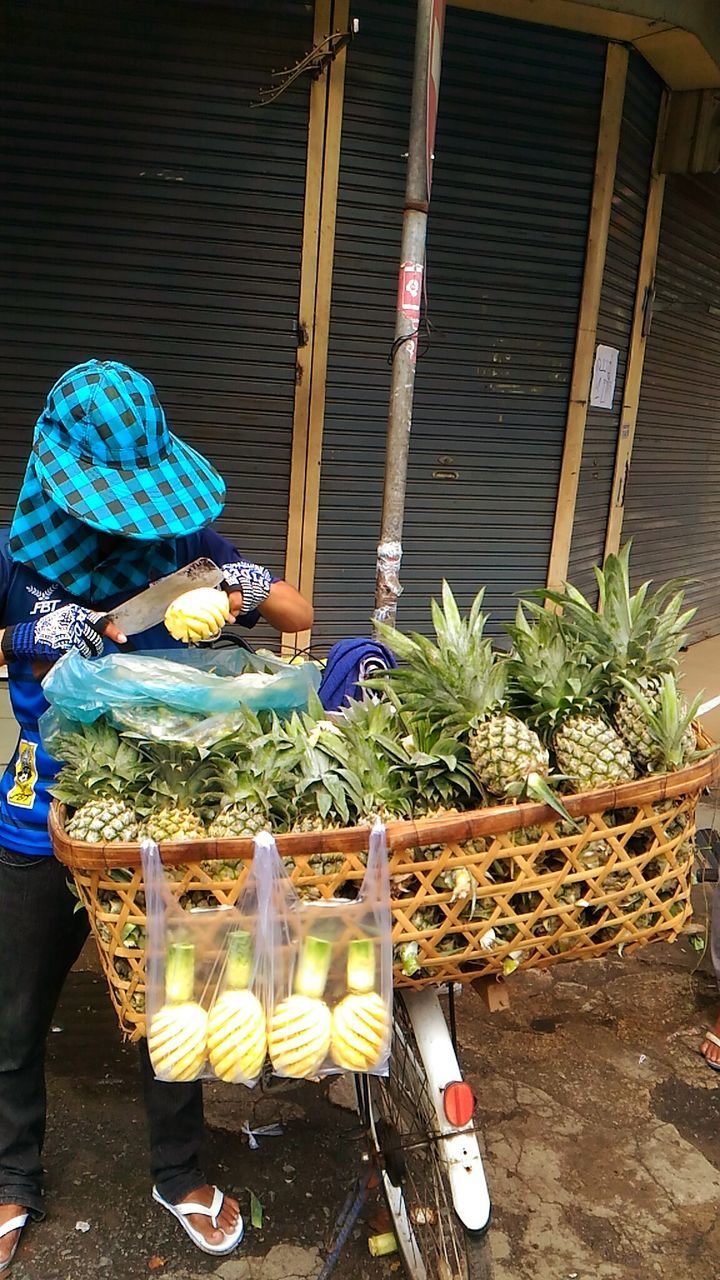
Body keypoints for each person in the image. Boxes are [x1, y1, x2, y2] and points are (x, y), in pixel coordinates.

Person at [0, 359, 313, 1270]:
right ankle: (13, 1177)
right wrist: (26, 637)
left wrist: (239, 585)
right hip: (39, 813)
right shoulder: (20, 557)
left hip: (152, 809)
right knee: (15, 1014)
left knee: (168, 1002)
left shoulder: (180, 539)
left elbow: (298, 608)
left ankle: (177, 1173)